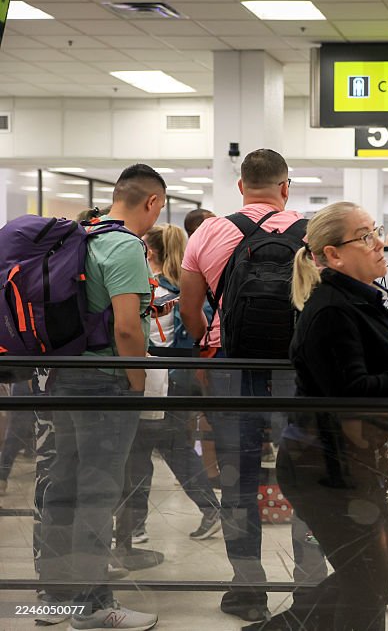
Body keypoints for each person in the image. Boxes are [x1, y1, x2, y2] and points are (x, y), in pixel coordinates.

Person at [254, 201, 388, 631]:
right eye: (365, 236)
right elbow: (352, 392)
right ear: (333, 254)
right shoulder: (333, 310)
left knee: (366, 573)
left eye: (375, 231)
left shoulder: (357, 302)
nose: (378, 243)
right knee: (368, 577)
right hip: (325, 468)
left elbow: (363, 372)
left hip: (349, 463)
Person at [178, 148, 305, 622]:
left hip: (231, 366)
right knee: (305, 475)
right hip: (295, 370)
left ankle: (248, 590)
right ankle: (310, 586)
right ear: (285, 187)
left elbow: (190, 308)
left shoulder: (209, 231)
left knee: (237, 481)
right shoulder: (310, 234)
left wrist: (206, 344)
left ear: (240, 186)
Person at [38, 164, 166, 631]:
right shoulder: (125, 245)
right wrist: (136, 382)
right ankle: (92, 604)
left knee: (64, 487)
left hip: (65, 378)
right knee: (97, 493)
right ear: (152, 202)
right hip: (105, 382)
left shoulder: (81, 235)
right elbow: (127, 327)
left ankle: (55, 597)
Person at [119, 224, 222, 544]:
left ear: (149, 252)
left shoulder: (147, 291)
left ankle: (135, 525)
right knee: (172, 447)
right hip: (181, 377)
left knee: (143, 451)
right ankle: (205, 509)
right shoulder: (186, 289)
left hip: (153, 380)